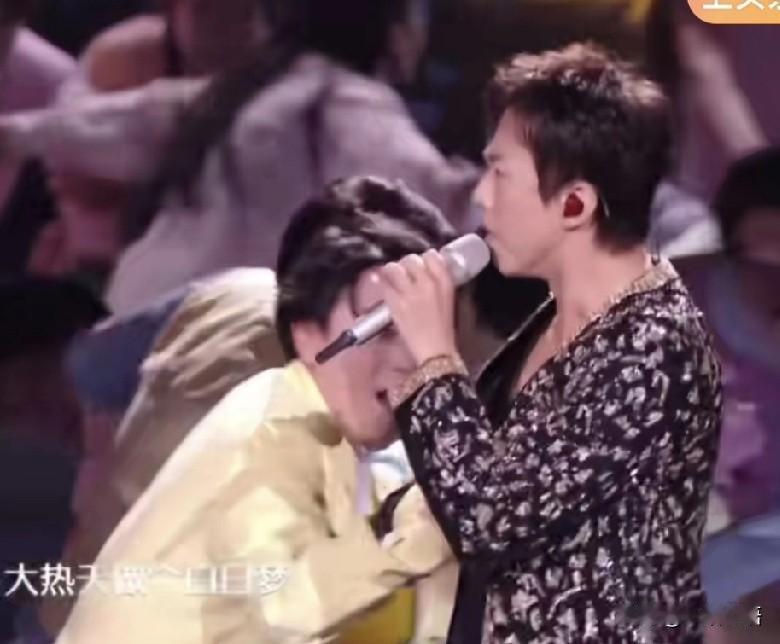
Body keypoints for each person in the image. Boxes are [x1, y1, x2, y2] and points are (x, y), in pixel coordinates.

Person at [376, 43, 723, 642]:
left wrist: (435, 356)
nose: (480, 195)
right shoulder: (562, 317)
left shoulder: (654, 346)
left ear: (575, 203)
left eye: (500, 173)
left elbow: (489, 518)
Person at [53, 176, 460, 644]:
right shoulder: (271, 426)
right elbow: (284, 606)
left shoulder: (348, 447)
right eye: (383, 330)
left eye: (424, 330)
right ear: (306, 332)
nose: (412, 359)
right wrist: (420, 538)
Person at [0, 0, 477, 313]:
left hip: (133, 322)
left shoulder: (240, 96)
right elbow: (433, 195)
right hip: (213, 344)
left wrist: (19, 136)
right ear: (395, 31)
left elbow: (120, 124)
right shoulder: (346, 105)